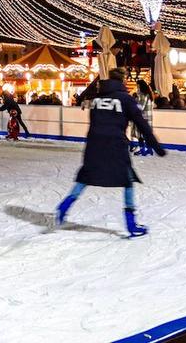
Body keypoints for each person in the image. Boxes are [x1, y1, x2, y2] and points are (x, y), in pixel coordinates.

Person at [55, 67, 166, 238]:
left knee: (86, 177)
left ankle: (64, 206)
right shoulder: (126, 99)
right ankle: (131, 224)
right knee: (127, 180)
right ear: (122, 81)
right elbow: (141, 124)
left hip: (94, 144)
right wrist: (156, 146)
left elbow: (95, 121)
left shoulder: (98, 99)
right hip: (115, 145)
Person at [131, 80, 155, 156]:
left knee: (140, 135)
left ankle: (143, 150)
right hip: (147, 117)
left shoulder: (143, 95)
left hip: (143, 118)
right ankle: (149, 149)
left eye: (137, 86)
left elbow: (141, 107)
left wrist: (133, 103)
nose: (137, 87)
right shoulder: (148, 94)